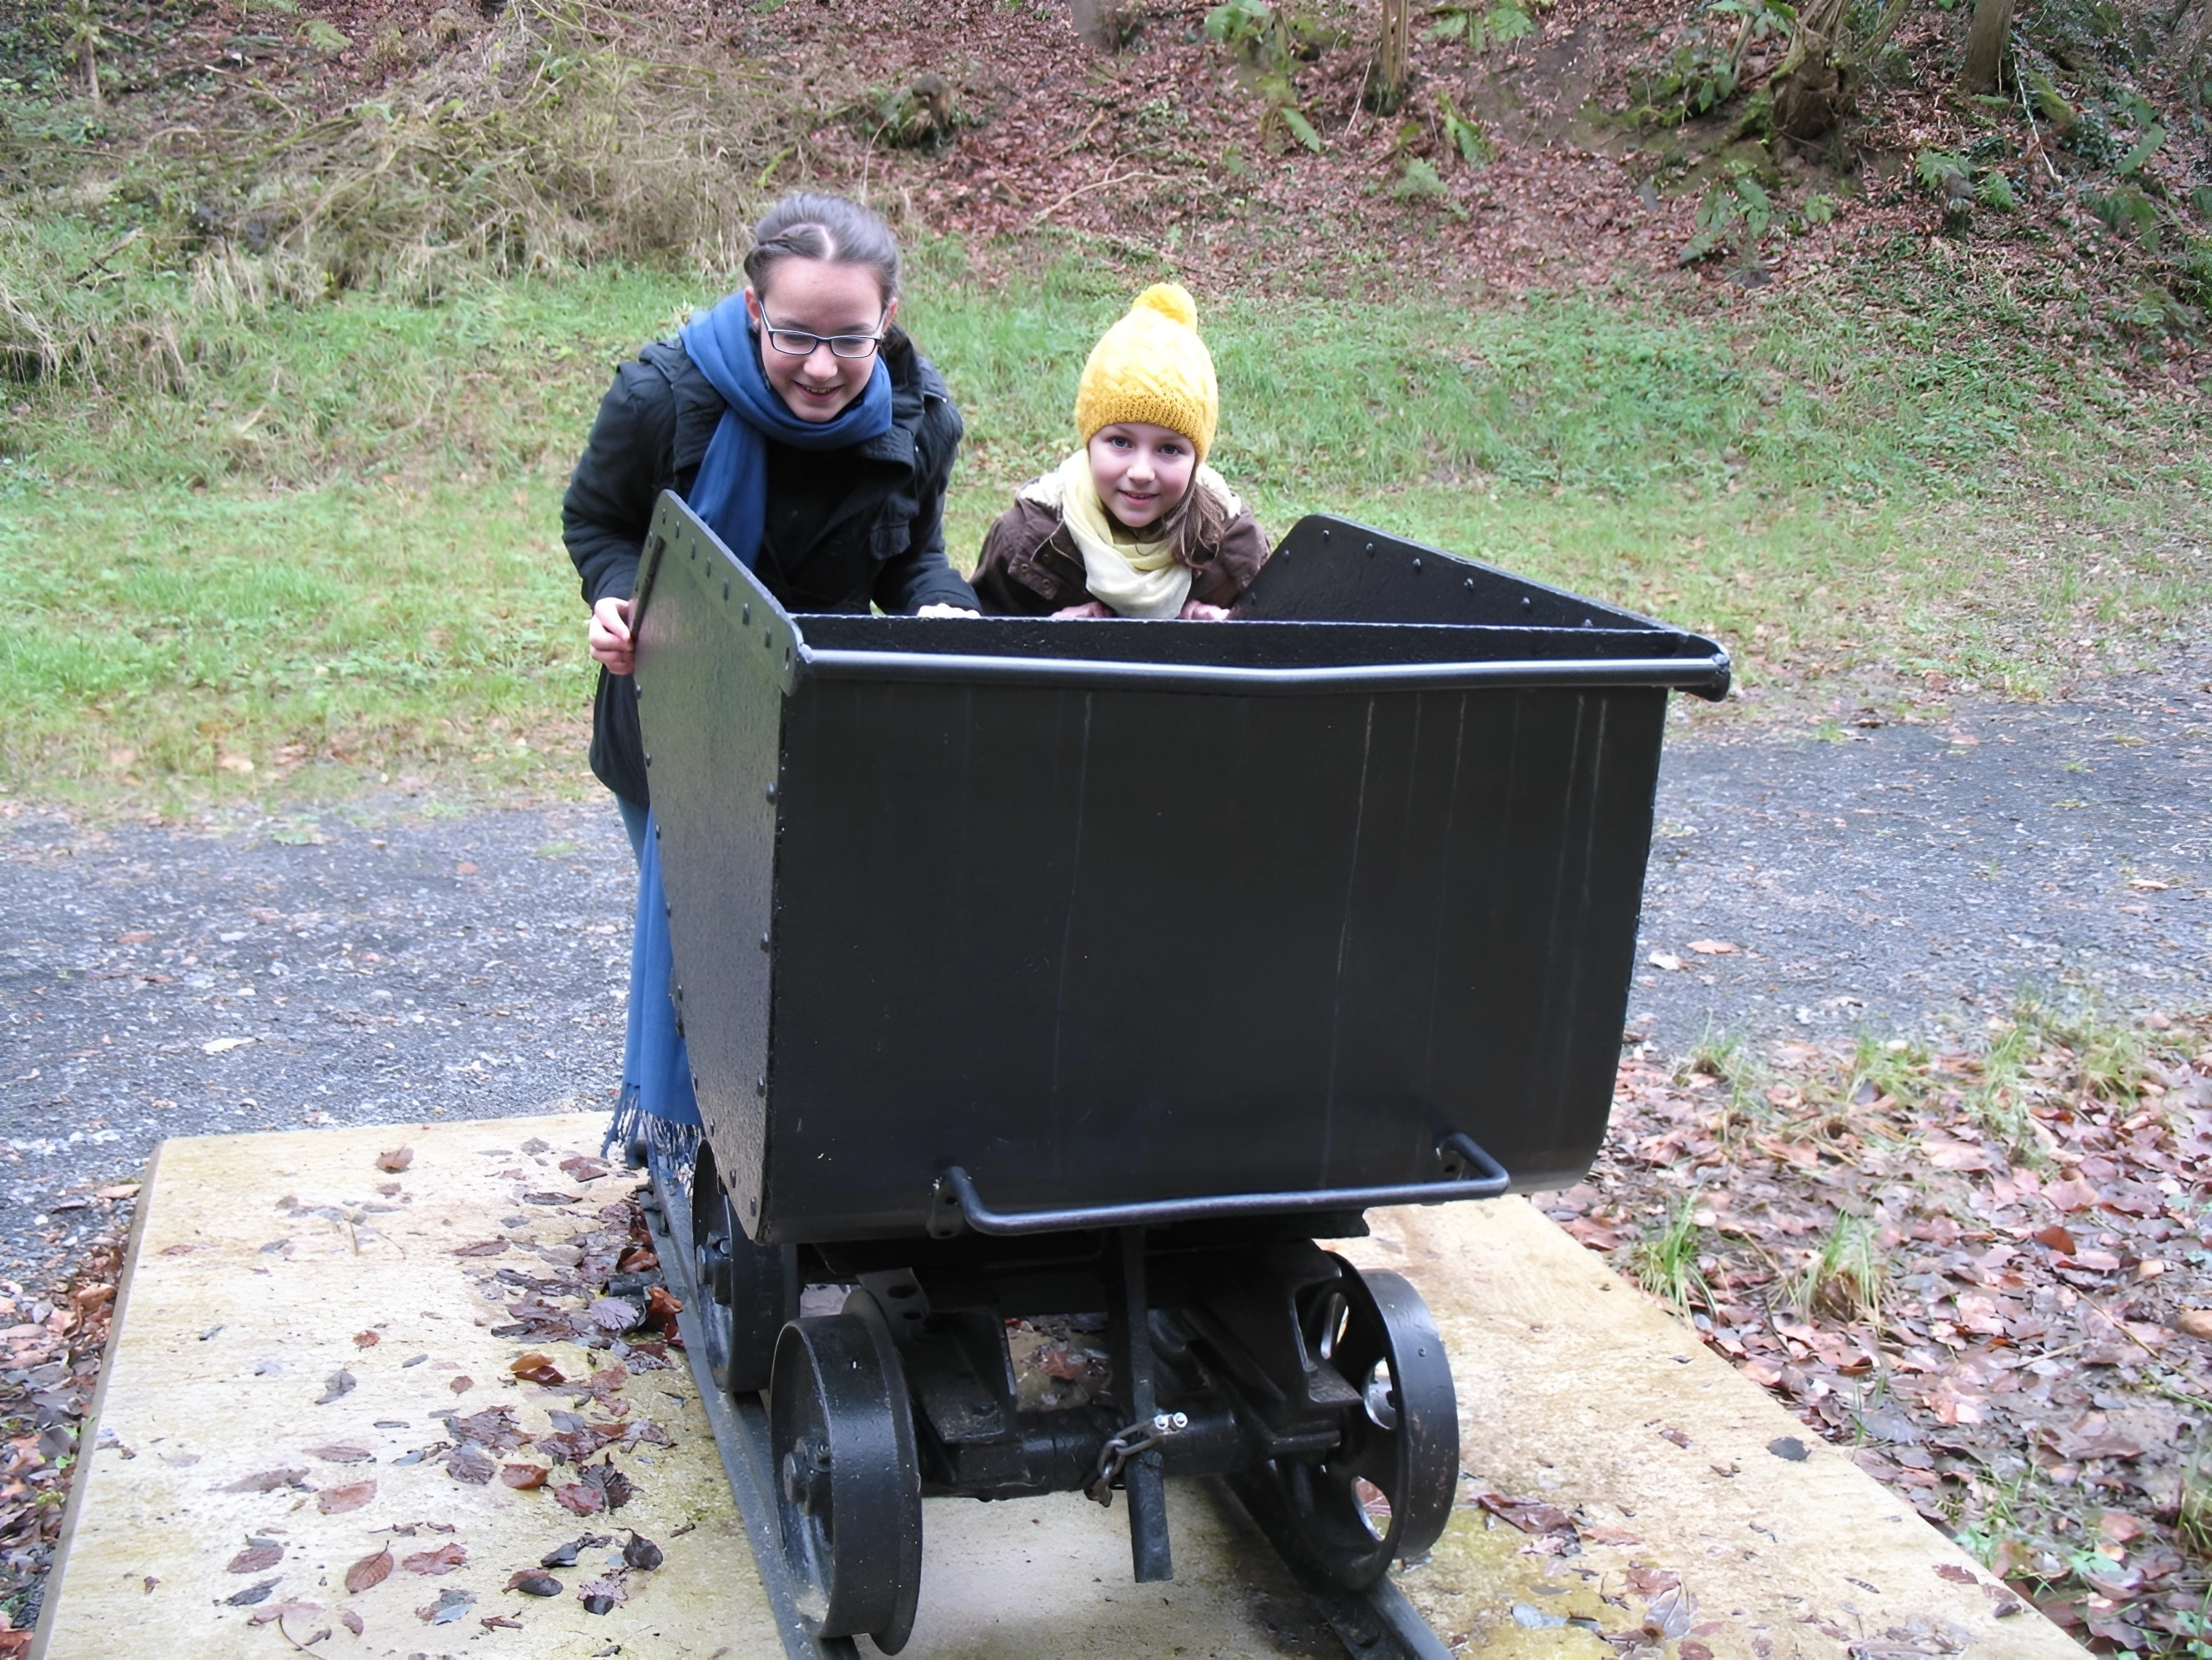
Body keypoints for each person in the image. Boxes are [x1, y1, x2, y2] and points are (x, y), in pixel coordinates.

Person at [561, 192, 978, 1170]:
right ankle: (702, 1160)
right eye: (795, 336)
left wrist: (941, 604)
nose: (824, 366)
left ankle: (801, 1154)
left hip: (830, 732)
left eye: (851, 339)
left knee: (817, 952)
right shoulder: (661, 397)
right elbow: (598, 520)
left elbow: (912, 560)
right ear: (754, 310)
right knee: (705, 953)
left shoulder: (920, 423)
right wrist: (622, 596)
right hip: (677, 724)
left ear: (887, 322)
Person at [969, 284, 1267, 620]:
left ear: (1197, 460)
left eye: (1169, 449)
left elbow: (1288, 646)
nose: (1141, 472)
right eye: (1120, 442)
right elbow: (981, 649)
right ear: (1089, 442)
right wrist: (1046, 634)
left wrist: (1233, 630)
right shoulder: (1028, 539)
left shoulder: (1233, 546)